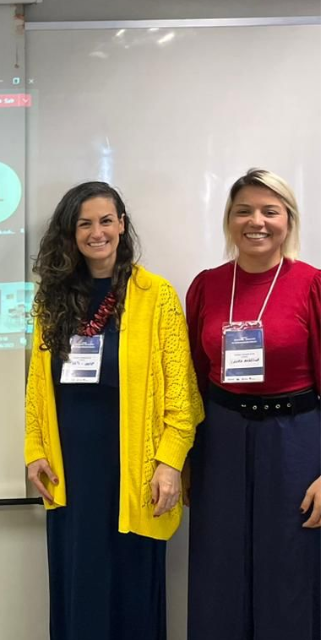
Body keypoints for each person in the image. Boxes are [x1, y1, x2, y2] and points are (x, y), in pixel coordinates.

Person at [24, 181, 203, 640]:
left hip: (136, 468)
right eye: (85, 223)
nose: (96, 232)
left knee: (132, 592)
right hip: (73, 469)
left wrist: (169, 462)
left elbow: (181, 392)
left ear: (122, 226)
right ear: (71, 232)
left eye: (106, 220)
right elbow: (38, 386)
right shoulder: (54, 297)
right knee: (78, 587)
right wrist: (34, 447)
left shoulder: (155, 295)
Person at [185, 169, 320, 640]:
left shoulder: (312, 285)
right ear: (229, 220)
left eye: (270, 210)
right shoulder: (207, 286)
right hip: (220, 439)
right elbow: (193, 382)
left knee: (291, 570)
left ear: (288, 220)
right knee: (219, 569)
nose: (256, 221)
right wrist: (184, 457)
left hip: (297, 443)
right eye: (243, 210)